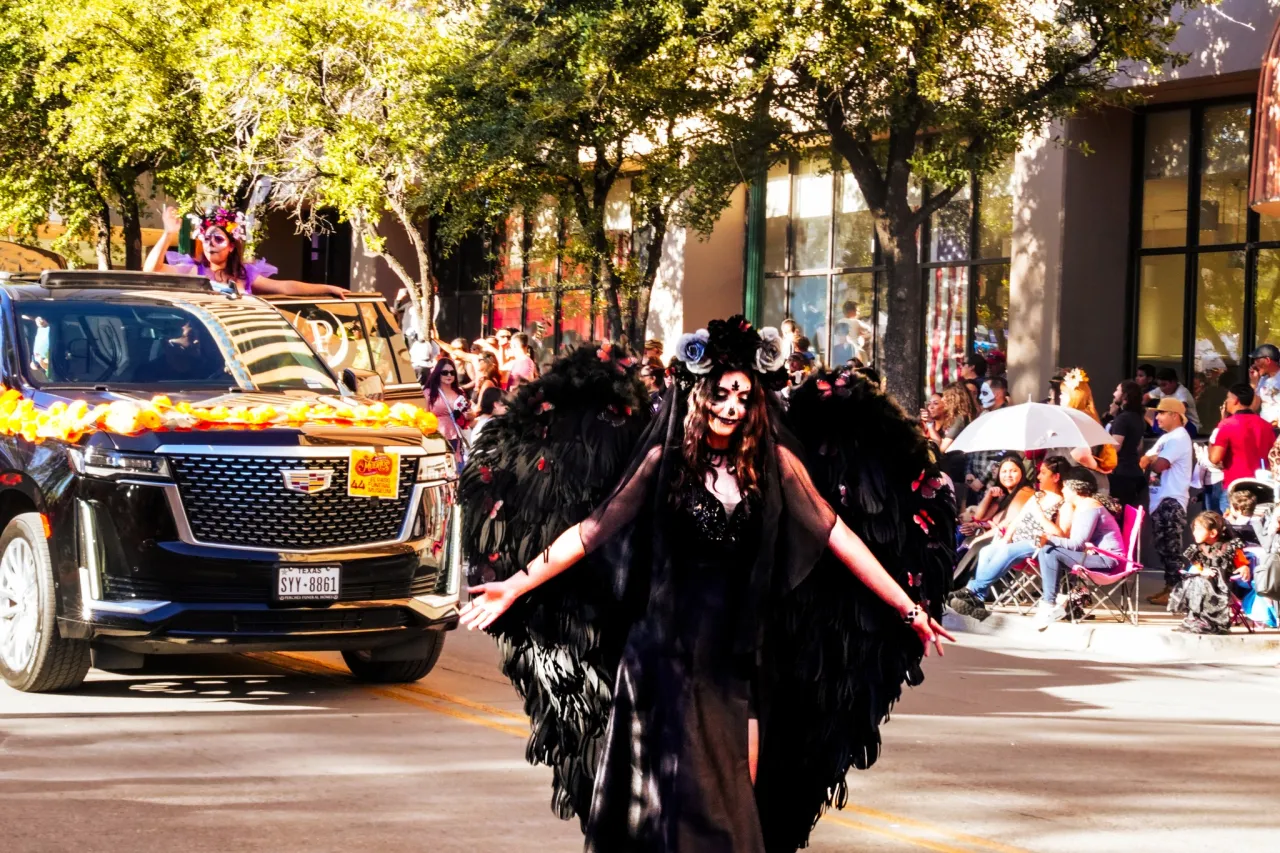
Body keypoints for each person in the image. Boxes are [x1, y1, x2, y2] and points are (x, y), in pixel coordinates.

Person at [458, 318, 954, 852]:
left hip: (741, 650)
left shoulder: (776, 464)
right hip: (665, 651)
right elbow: (591, 532)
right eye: (722, 393)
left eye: (745, 396)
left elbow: (837, 534)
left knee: (735, 802)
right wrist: (516, 584)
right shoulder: (662, 463)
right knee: (674, 804)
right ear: (699, 393)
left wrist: (907, 608)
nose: (733, 407)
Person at [948, 455, 1071, 621]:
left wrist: (1041, 517)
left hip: (1038, 543)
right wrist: (1006, 538)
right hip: (1017, 540)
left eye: (1043, 473)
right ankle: (979, 599)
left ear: (1056, 477)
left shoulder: (1064, 503)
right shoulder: (1038, 496)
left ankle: (971, 590)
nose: (1039, 476)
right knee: (987, 550)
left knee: (1006, 551)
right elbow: (1017, 520)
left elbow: (1062, 535)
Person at [144, 205, 347, 298]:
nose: (210, 244)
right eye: (206, 238)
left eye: (218, 239)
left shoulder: (244, 274)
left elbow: (285, 287)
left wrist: (328, 288)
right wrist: (167, 234)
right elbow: (151, 270)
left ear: (231, 246)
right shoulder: (192, 271)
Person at [1030, 468, 1124, 629]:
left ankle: (1050, 603)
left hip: (1108, 560)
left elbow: (1076, 544)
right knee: (1049, 551)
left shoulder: (1089, 506)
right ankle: (1057, 601)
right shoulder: (1085, 505)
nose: (1063, 490)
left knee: (1049, 551)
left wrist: (1049, 538)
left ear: (1075, 488)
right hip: (1100, 557)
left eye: (1065, 486)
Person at [1143, 398, 1195, 605]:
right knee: (1162, 548)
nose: (1157, 417)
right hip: (1159, 499)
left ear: (1175, 415)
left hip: (1171, 500)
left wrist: (1152, 459)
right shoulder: (1166, 438)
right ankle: (1169, 586)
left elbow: (1159, 465)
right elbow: (1144, 460)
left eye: (1162, 413)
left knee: (1171, 549)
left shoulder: (1178, 438)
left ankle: (1177, 592)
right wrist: (1150, 459)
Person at [1167, 512, 1247, 634]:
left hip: (1222, 584)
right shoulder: (1198, 549)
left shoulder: (1229, 547)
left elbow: (1241, 562)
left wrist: (1243, 568)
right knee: (1193, 582)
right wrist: (1203, 571)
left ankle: (1210, 621)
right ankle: (1195, 618)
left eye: (1198, 530)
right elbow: (1197, 566)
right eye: (1194, 529)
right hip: (1203, 581)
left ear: (1213, 533)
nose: (1194, 533)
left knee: (1203, 583)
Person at [1209, 383, 1275, 507]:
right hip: (1263, 487)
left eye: (1228, 398)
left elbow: (1214, 458)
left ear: (1236, 401)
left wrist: (1216, 432)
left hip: (1235, 488)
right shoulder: (1266, 426)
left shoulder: (1226, 425)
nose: (1226, 402)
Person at [1107, 381, 1150, 510]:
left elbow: (1116, 446)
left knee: (1118, 512)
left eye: (1117, 390)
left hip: (1120, 473)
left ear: (1125, 396)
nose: (1114, 393)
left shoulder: (1123, 419)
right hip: (1133, 471)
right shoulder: (1138, 418)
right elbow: (1139, 446)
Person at [423, 357, 470, 449]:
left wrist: (469, 415)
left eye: (452, 373)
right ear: (438, 374)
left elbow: (467, 414)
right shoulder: (429, 392)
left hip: (457, 435)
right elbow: (424, 416)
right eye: (445, 373)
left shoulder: (459, 392)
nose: (449, 375)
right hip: (437, 437)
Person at [1149, 368, 1201, 436]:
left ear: (1174, 382)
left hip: (1189, 426)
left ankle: (1161, 432)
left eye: (1164, 385)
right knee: (1150, 412)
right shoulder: (1161, 390)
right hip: (1170, 424)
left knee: (1167, 413)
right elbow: (1146, 397)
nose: (1162, 389)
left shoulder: (1183, 393)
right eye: (1160, 386)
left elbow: (1180, 412)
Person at [1251, 343, 1280, 426]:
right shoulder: (1263, 380)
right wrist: (1254, 383)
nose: (1254, 364)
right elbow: (1253, 407)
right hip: (1265, 428)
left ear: (1267, 360)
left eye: (1257, 360)